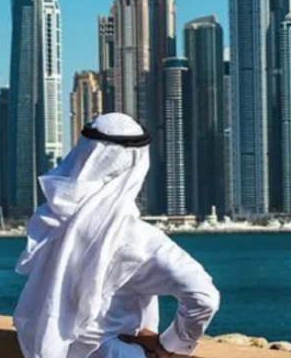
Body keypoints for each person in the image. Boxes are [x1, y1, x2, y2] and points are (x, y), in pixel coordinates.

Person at [13, 113, 221, 358]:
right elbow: (203, 297)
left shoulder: (50, 219)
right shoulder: (138, 239)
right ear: (138, 163)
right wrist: (170, 345)